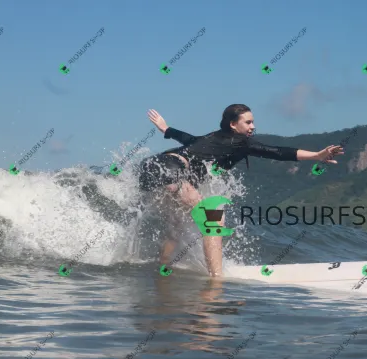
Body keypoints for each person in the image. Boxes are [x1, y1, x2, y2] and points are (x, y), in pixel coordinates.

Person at [139, 104, 344, 278]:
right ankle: (216, 280)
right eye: (248, 122)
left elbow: (186, 138)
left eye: (253, 122)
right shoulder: (241, 142)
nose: (253, 126)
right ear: (233, 124)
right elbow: (277, 152)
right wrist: (316, 155)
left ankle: (162, 270)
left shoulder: (210, 139)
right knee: (214, 219)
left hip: (152, 167)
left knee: (176, 223)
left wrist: (166, 129)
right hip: (171, 168)